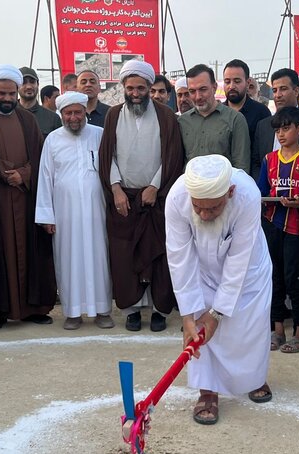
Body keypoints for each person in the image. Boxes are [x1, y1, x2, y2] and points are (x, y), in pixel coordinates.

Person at [165, 154, 273, 425]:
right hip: (201, 269)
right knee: (200, 331)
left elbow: (239, 260)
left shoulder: (247, 195)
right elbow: (179, 257)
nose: (203, 214)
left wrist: (218, 313)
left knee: (248, 326)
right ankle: (207, 391)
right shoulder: (177, 197)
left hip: (247, 270)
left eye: (212, 208)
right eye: (198, 207)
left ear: (230, 192)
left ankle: (253, 378)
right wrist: (188, 316)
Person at [98, 60, 184, 332]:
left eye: (141, 88)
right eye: (130, 87)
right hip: (123, 198)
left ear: (150, 87)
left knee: (158, 256)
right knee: (124, 255)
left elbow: (172, 156)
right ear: (123, 87)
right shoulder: (113, 115)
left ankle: (159, 310)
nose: (135, 93)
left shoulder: (166, 116)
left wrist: (155, 186)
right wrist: (115, 189)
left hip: (155, 198)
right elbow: (107, 155)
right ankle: (132, 310)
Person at [0, 65, 56, 330]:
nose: (7, 99)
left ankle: (33, 308)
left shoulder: (27, 119)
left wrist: (23, 174)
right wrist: (4, 172)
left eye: (11, 93)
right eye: (2, 93)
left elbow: (40, 156)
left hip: (26, 197)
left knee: (30, 250)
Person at [35, 92, 113, 330]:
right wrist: (47, 215)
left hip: (96, 212)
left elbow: (112, 170)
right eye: (68, 113)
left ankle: (102, 310)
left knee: (99, 258)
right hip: (64, 213)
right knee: (68, 259)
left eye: (77, 112)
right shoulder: (53, 140)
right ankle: (73, 312)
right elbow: (45, 177)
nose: (73, 117)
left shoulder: (100, 135)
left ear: (85, 112)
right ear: (61, 115)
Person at [258, 107, 299, 353]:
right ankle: (277, 329)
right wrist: (268, 199)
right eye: (277, 130)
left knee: (296, 276)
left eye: (286, 128)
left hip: (297, 227)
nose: (281, 134)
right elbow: (260, 192)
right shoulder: (269, 159)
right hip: (272, 225)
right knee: (273, 276)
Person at [251, 68, 299, 181]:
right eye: (274, 90)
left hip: (297, 194)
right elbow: (256, 164)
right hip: (266, 195)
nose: (278, 95)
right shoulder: (263, 125)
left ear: (296, 91)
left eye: (283, 89)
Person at [178, 64, 250, 171]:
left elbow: (241, 166)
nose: (198, 97)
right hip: (190, 186)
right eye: (192, 91)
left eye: (203, 89)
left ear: (214, 87)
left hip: (226, 186)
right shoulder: (182, 122)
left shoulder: (235, 119)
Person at [222, 59, 271, 148]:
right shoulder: (217, 113)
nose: (231, 86)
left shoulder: (261, 112)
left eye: (237, 81)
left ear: (247, 83)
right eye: (227, 81)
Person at [18, 67, 61, 140]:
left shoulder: (53, 119)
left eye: (32, 82)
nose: (29, 86)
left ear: (38, 84)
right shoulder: (8, 115)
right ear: (17, 85)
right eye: (24, 82)